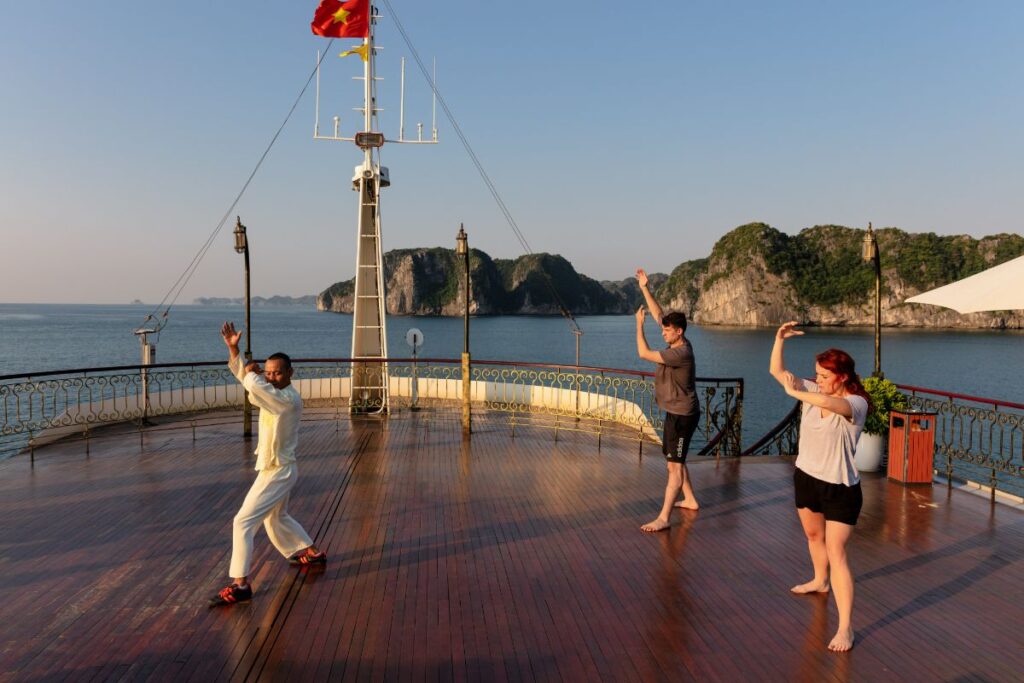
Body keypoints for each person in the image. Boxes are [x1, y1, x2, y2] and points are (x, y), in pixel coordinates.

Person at [769, 321, 870, 652]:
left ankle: (845, 628)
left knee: (837, 551)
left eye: (825, 376)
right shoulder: (815, 391)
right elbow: (777, 371)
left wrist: (798, 393)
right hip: (807, 478)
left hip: (841, 488)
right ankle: (819, 579)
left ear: (841, 376)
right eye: (817, 375)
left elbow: (833, 405)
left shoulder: (856, 403)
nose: (819, 381)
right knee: (814, 537)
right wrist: (778, 340)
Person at [209, 322, 326, 607]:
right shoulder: (273, 394)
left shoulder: (287, 400)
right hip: (277, 468)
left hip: (278, 471)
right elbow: (247, 380)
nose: (272, 377)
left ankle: (241, 584)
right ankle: (310, 551)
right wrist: (234, 350)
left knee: (242, 522)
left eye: (277, 372)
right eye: (269, 372)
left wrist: (252, 373)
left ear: (290, 374)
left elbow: (253, 383)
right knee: (275, 518)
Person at [634, 268, 701, 533]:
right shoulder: (676, 341)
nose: (663, 333)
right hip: (674, 412)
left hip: (683, 416)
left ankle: (663, 517)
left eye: (667, 331)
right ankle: (691, 500)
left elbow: (643, 353)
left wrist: (638, 326)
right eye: (663, 330)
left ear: (680, 331)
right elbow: (658, 314)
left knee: (674, 467)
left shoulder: (681, 353)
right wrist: (644, 288)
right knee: (676, 460)